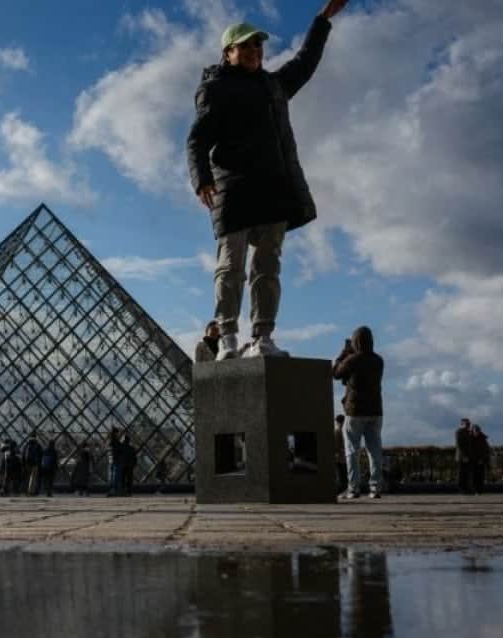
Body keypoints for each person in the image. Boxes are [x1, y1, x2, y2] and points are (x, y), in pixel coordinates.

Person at [187, 0, 350, 360]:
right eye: (245, 46)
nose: (253, 51)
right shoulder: (216, 89)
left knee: (267, 269)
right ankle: (227, 336)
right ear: (228, 52)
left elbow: (305, 63)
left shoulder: (273, 86)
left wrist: (322, 20)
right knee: (231, 267)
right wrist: (201, 180)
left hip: (273, 190)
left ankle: (262, 337)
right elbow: (198, 138)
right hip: (233, 189)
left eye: (257, 46)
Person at [333, 326, 384, 499]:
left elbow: (335, 373)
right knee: (374, 450)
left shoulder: (352, 359)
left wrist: (344, 352)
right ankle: (375, 487)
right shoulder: (379, 360)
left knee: (352, 451)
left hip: (355, 410)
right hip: (376, 409)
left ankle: (353, 489)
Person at [455, 418, 474, 494]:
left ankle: (467, 488)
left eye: (469, 424)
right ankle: (462, 489)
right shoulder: (459, 432)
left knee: (467, 473)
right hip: (462, 456)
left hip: (468, 456)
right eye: (467, 424)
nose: (468, 426)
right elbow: (459, 445)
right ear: (462, 424)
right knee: (461, 473)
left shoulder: (468, 432)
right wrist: (464, 456)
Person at [472, 424, 490, 496]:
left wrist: (482, 459)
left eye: (477, 430)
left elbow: (486, 449)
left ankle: (479, 491)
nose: (476, 432)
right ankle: (476, 490)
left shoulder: (482, 438)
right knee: (474, 476)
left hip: (480, 460)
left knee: (480, 476)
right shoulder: (471, 438)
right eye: (475, 430)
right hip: (473, 460)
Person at [333, 414, 347, 495]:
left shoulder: (338, 431)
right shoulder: (338, 431)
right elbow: (336, 446)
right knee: (342, 481)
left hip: (340, 459)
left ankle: (335, 494)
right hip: (340, 459)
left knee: (342, 480)